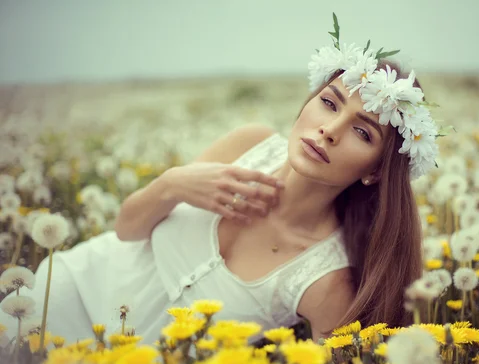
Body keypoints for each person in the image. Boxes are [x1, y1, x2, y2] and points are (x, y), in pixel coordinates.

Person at [0, 32, 440, 345]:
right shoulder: (248, 144)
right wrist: (174, 184)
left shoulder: (325, 281)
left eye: (362, 133)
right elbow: (127, 229)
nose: (328, 130)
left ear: (376, 173)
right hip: (59, 296)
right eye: (328, 103)